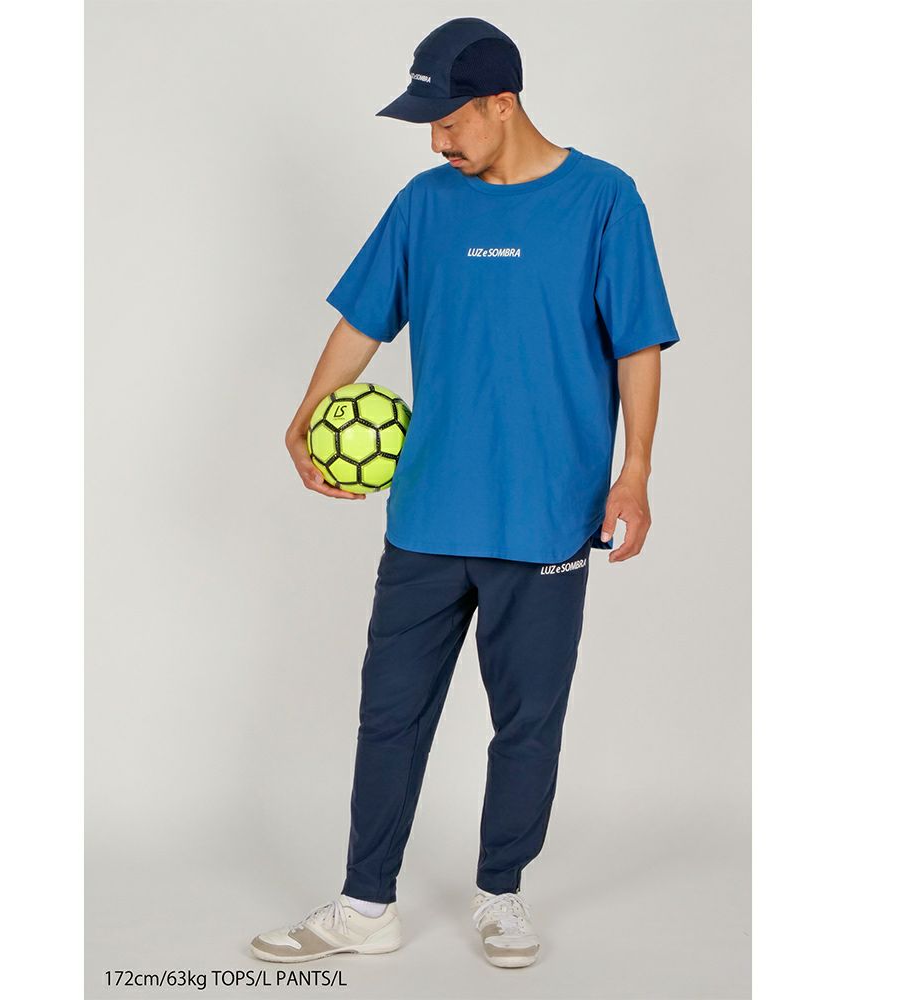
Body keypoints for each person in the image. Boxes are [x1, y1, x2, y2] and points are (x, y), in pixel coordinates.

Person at [252, 17, 679, 969]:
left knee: (527, 721)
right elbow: (363, 321)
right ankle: (365, 903)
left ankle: (501, 894)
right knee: (388, 714)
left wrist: (636, 470)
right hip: (429, 512)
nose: (438, 141)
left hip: (548, 514)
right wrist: (305, 414)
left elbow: (638, 343)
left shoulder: (604, 198)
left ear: (502, 103)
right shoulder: (424, 204)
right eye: (429, 125)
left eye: (450, 121)